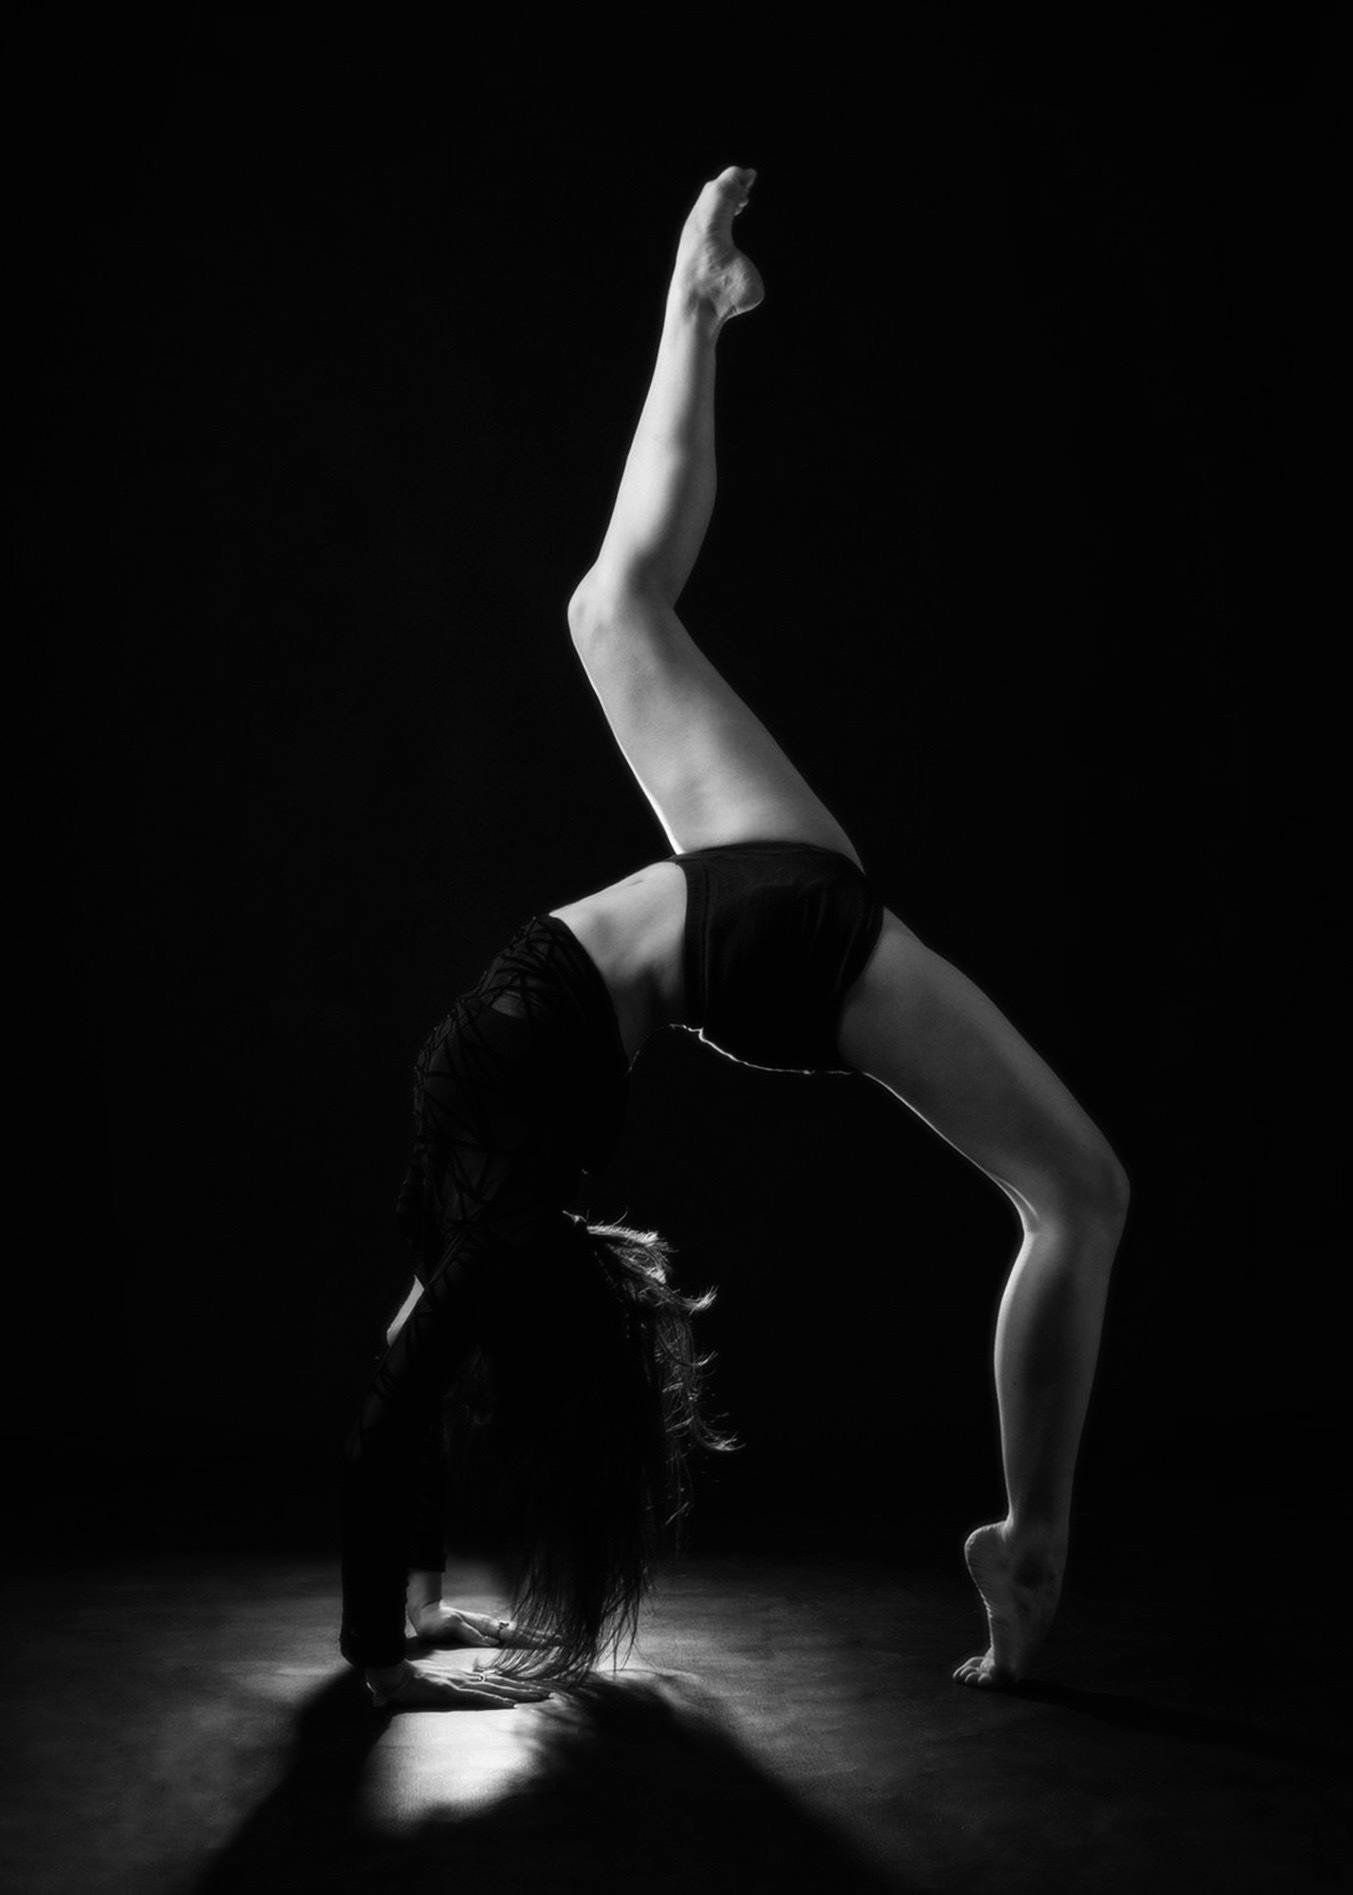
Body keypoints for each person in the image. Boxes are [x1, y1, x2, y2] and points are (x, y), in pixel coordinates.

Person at [340, 166, 1129, 1710]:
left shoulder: (482, 1200)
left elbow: (407, 1377)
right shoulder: (483, 1185)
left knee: (611, 609)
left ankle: (694, 304)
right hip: (732, 933)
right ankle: (1028, 1548)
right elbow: (404, 1380)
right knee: (1076, 1196)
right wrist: (386, 1639)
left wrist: (402, 1617)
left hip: (737, 913)